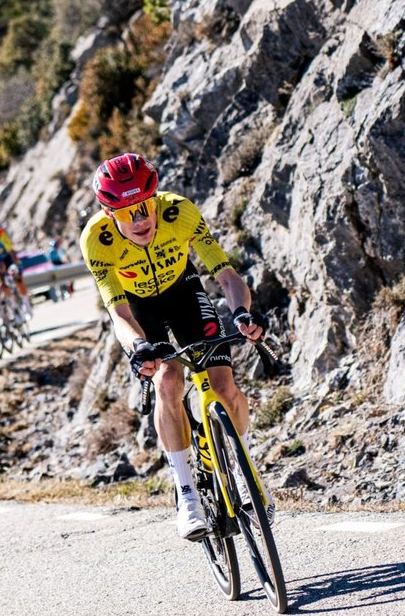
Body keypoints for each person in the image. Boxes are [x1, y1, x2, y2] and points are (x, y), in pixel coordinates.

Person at [79, 153, 267, 541]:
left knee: (223, 385)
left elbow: (226, 275)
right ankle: (186, 495)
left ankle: (248, 475)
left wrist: (242, 314)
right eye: (127, 212)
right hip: (142, 311)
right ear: (107, 212)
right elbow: (119, 313)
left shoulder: (178, 212)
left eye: (145, 205)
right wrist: (139, 348)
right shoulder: (97, 240)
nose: (140, 219)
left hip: (184, 293)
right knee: (168, 382)